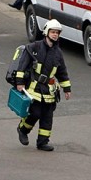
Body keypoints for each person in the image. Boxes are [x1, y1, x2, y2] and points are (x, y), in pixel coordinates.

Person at [15, 19, 72, 152]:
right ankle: (23, 129)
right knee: (34, 113)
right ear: (46, 32)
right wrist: (20, 83)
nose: (55, 35)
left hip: (49, 91)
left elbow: (62, 72)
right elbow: (22, 66)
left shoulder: (58, 53)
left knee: (47, 117)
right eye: (52, 32)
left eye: (57, 33)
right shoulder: (33, 47)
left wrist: (67, 89)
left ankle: (43, 142)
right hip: (34, 89)